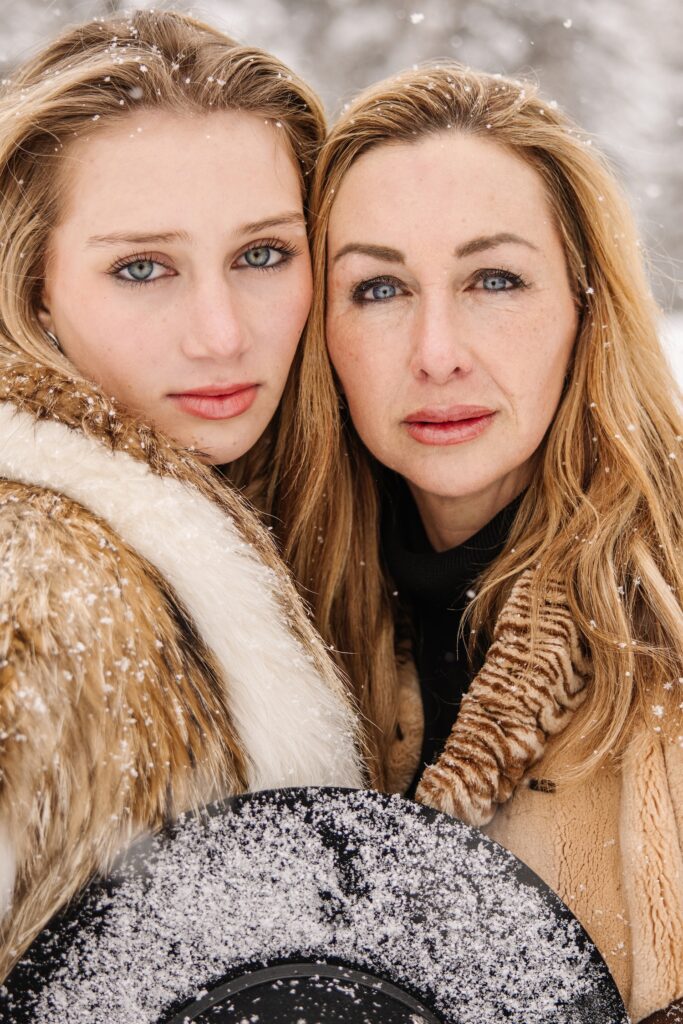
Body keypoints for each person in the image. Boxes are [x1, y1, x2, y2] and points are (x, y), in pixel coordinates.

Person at [269, 63, 683, 1022]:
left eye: (493, 278)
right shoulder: (275, 628)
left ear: (586, 306)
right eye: (377, 288)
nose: (437, 349)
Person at [0, 9, 363, 981]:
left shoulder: (315, 516)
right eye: (141, 267)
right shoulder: (34, 584)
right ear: (35, 288)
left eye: (261, 255)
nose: (219, 333)